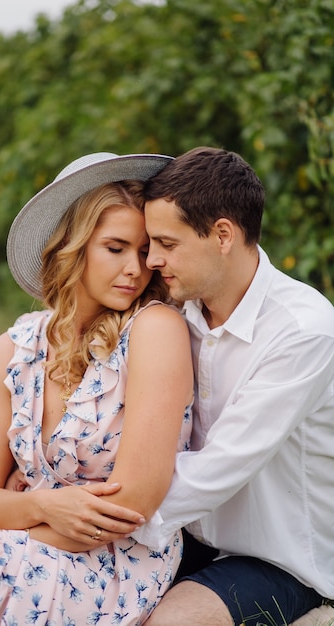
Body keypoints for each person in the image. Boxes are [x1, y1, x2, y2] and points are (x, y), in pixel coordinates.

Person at [0, 152, 194, 626]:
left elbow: (131, 506)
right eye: (115, 248)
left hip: (108, 575)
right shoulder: (14, 348)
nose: (136, 268)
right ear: (73, 245)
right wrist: (43, 504)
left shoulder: (155, 330)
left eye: (144, 250)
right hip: (20, 547)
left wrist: (10, 514)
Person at [137, 146, 334, 625]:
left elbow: (218, 469)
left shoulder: (303, 331)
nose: (152, 260)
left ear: (222, 234)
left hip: (281, 559)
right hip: (184, 535)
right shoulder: (171, 312)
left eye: (167, 243)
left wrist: (101, 510)